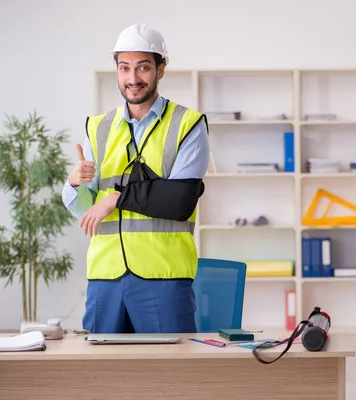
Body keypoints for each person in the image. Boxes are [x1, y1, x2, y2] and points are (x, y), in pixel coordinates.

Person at [62, 23, 210, 334]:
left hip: (164, 276)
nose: (133, 78)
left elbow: (179, 201)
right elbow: (86, 209)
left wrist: (116, 198)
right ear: (116, 71)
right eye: (124, 68)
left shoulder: (188, 124)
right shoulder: (98, 128)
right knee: (100, 376)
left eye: (143, 67)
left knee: (170, 375)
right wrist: (75, 184)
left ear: (161, 69)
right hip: (105, 276)